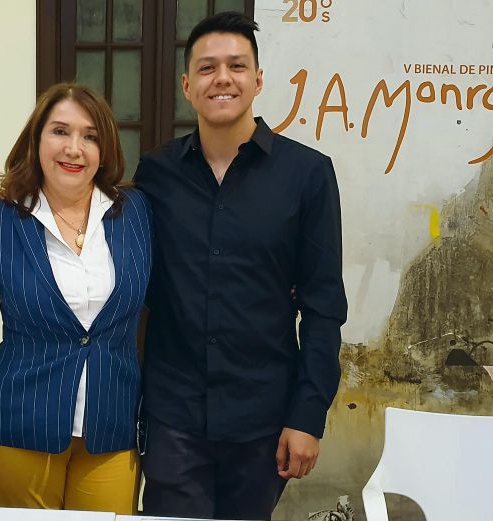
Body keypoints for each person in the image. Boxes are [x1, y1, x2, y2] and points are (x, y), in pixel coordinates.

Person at [133, 12, 348, 521]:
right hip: (173, 419)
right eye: (207, 68)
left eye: (236, 65)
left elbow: (322, 308)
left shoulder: (308, 174)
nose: (222, 78)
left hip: (264, 421)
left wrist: (308, 416)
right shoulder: (156, 174)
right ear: (187, 85)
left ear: (257, 79)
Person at [0, 83, 152, 515]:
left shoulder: (137, 212)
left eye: (90, 136)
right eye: (60, 131)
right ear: (35, 141)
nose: (74, 148)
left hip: (112, 424)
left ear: (104, 150)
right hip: (18, 422)